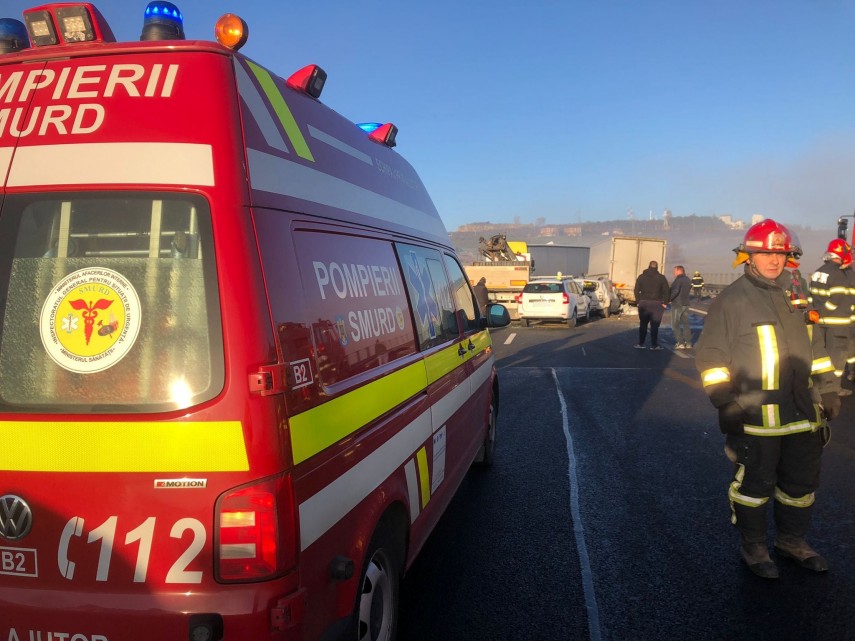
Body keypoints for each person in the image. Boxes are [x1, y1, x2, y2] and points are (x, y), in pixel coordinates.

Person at [696, 219, 837, 580]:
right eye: (765, 253)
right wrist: (725, 402)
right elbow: (711, 357)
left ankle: (792, 541)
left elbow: (816, 347)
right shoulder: (732, 301)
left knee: (800, 487)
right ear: (750, 256)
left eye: (779, 253)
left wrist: (830, 389)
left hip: (804, 415)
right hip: (756, 418)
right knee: (754, 488)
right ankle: (754, 545)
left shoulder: (798, 294)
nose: (773, 260)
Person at [808, 239, 855, 397]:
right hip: (839, 324)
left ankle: (818, 385)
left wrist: (817, 315)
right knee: (837, 358)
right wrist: (824, 312)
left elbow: (811, 298)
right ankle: (833, 389)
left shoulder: (818, 272)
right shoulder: (839, 273)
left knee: (822, 356)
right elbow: (837, 298)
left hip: (820, 324)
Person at [633, 260, 670, 350]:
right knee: (655, 325)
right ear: (657, 267)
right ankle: (654, 345)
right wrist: (665, 303)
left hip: (644, 303)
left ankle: (641, 343)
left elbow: (636, 290)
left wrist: (638, 301)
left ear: (649, 266)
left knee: (643, 324)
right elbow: (667, 291)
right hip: (657, 304)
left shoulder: (641, 277)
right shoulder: (661, 278)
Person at [669, 265, 692, 348]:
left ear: (679, 271)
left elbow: (675, 290)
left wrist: (669, 299)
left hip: (677, 304)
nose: (673, 272)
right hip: (685, 304)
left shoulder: (678, 280)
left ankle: (680, 342)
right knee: (686, 324)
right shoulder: (687, 279)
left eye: (674, 271)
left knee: (675, 324)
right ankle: (688, 343)